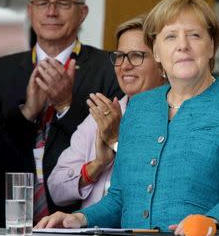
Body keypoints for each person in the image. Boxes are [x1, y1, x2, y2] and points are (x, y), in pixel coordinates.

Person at [35, 0, 219, 234]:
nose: (183, 46)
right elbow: (119, 198)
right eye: (170, 37)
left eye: (195, 35)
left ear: (211, 45)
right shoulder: (139, 106)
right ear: (157, 52)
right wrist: (79, 218)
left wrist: (212, 220)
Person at [0, 0, 122, 226]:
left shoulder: (112, 69)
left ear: (82, 13)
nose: (51, 12)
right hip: (6, 220)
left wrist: (66, 106)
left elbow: (116, 148)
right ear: (30, 11)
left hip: (80, 220)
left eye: (63, 3)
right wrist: (28, 112)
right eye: (42, 3)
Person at [48, 14, 165, 209]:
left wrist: (116, 140)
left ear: (162, 64)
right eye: (119, 56)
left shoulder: (178, 114)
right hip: (93, 235)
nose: (125, 66)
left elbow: (157, 184)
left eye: (137, 55)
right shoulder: (101, 115)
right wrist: (96, 166)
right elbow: (56, 189)